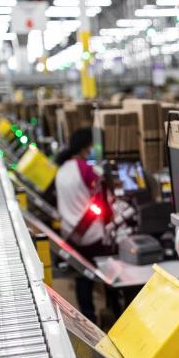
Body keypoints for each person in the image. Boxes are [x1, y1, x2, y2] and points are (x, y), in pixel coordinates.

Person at [55, 127, 110, 322]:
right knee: (109, 275)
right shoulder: (85, 169)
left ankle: (88, 318)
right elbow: (104, 194)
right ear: (86, 147)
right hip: (92, 234)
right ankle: (113, 312)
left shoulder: (61, 170)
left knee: (82, 277)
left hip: (71, 234)